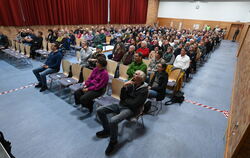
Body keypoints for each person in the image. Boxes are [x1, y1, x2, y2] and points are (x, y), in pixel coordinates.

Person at [96, 70, 148, 155]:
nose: (134, 75)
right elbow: (122, 97)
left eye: (136, 74)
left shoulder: (144, 90)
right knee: (100, 110)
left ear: (141, 78)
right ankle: (107, 130)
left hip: (131, 110)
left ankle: (113, 141)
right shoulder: (131, 84)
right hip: (121, 105)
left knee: (113, 120)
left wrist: (125, 100)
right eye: (134, 73)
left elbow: (134, 104)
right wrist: (124, 87)